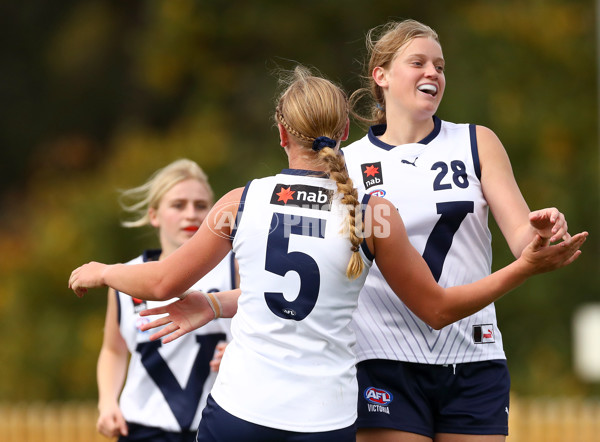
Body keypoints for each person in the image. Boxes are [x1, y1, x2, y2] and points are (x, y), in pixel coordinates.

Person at [69, 66, 587, 442]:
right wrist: (523, 268)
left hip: (241, 411)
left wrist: (103, 271)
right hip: (323, 419)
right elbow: (437, 309)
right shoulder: (372, 215)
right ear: (344, 133)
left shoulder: (240, 202)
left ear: (279, 132)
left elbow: (161, 283)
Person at [342, 19, 576, 442]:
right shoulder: (346, 165)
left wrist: (542, 233)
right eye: (418, 63)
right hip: (382, 358)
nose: (433, 72)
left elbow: (524, 238)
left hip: (473, 353)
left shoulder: (475, 142)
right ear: (382, 76)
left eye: (440, 66)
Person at [95, 158, 237, 441]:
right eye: (178, 205)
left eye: (200, 206)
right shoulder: (126, 276)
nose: (191, 214)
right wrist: (107, 401)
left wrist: (240, 352)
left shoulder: (236, 267)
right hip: (143, 429)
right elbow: (113, 349)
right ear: (154, 215)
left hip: (215, 426)